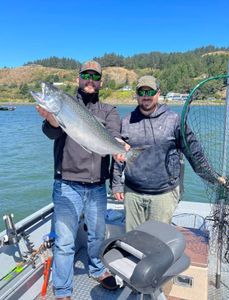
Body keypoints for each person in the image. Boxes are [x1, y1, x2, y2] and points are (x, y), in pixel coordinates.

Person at [36, 60, 121, 300]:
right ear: (78, 79)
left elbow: (115, 136)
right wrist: (53, 119)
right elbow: (51, 132)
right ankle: (62, 290)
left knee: (97, 235)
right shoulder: (64, 105)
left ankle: (97, 268)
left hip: (96, 186)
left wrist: (121, 148)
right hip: (66, 184)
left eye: (95, 76)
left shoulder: (109, 111)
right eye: (86, 75)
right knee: (64, 241)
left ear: (100, 81)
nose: (90, 80)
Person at [112, 75, 226, 232]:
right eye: (141, 92)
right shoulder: (126, 121)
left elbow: (193, 152)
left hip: (164, 194)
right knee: (133, 240)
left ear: (158, 93)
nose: (146, 97)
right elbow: (118, 156)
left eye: (150, 91)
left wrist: (212, 176)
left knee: (158, 241)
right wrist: (117, 184)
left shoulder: (174, 120)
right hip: (132, 193)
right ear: (136, 95)